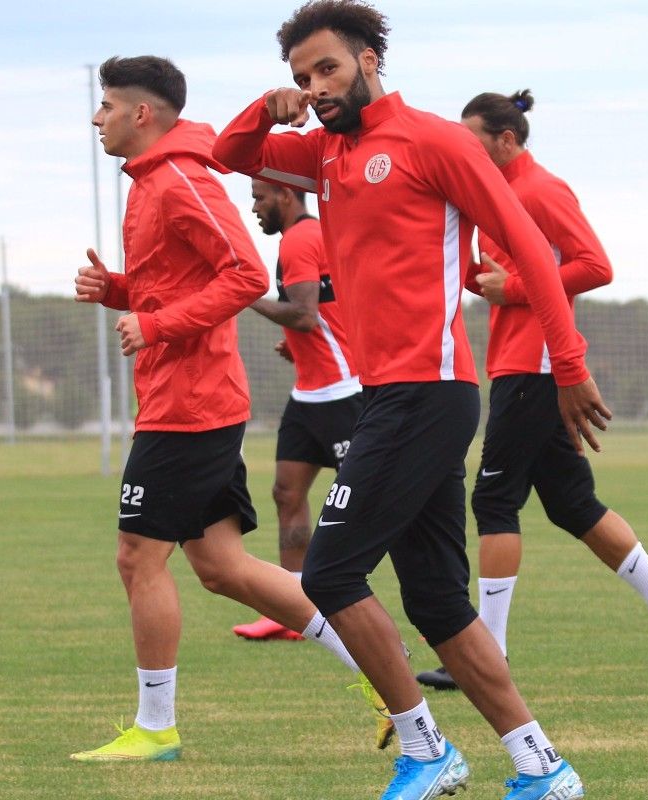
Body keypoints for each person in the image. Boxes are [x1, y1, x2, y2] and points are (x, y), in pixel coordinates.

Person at [213, 4, 611, 798]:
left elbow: (532, 250)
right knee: (436, 601)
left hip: (428, 393)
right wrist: (268, 107)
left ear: (369, 60)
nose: (316, 88)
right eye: (302, 77)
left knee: (330, 574)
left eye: (328, 69)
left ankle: (426, 750)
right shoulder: (323, 151)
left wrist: (568, 363)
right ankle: (542, 767)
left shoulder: (435, 142)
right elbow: (230, 153)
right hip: (387, 397)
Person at [69, 54, 385, 763]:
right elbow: (175, 284)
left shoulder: (181, 177)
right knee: (221, 567)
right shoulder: (151, 181)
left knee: (137, 558)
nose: (97, 118)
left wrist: (156, 325)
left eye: (107, 105)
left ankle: (156, 729)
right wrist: (116, 290)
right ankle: (379, 666)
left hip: (190, 404)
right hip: (182, 398)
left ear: (142, 113)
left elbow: (243, 273)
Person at [414, 89, 648, 695]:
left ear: (507, 140)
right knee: (572, 505)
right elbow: (497, 276)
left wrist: (514, 288)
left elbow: (595, 265)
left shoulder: (542, 190)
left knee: (494, 502)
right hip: (520, 364)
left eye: (473, 141)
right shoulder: (492, 195)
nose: (463, 151)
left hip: (539, 366)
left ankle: (486, 655)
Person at [231, 180, 365, 644]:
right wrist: (297, 344)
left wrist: (245, 296)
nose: (254, 207)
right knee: (286, 494)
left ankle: (436, 606)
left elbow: (305, 315)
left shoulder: (300, 238)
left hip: (345, 393)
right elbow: (322, 310)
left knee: (372, 503)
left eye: (260, 197)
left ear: (286, 196)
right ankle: (294, 612)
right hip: (309, 396)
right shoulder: (305, 237)